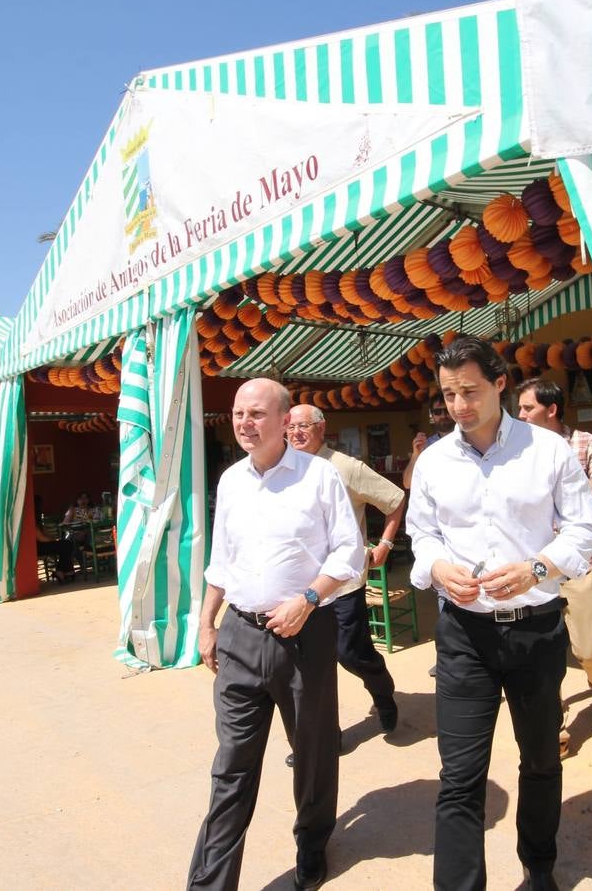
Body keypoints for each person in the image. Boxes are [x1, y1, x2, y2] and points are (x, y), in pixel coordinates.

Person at [408, 338, 592, 891]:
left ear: (499, 384)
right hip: (464, 637)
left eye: (469, 390)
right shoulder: (434, 462)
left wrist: (537, 570)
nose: (459, 405)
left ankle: (538, 866)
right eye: (449, 395)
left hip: (536, 631)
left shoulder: (550, 451)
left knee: (540, 760)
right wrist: (436, 566)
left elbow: (585, 528)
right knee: (460, 777)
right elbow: (423, 533)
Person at [188, 378, 363, 891]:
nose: (244, 422)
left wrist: (308, 599)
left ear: (285, 421)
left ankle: (312, 843)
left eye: (257, 413)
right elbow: (222, 560)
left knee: (312, 753)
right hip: (240, 635)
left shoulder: (319, 477)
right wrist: (206, 624)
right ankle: (210, 883)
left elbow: (348, 554)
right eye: (238, 413)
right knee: (231, 767)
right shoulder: (231, 481)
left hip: (304, 635)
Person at [287, 404, 405, 752]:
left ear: (321, 429)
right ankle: (324, 738)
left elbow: (395, 500)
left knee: (351, 653)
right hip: (299, 587)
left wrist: (385, 543)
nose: (295, 433)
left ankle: (382, 692)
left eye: (303, 426)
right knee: (308, 665)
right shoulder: (284, 470)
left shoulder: (345, 467)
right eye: (290, 426)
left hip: (342, 583)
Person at [515, 378, 592, 751]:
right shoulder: (511, 452)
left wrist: (561, 469)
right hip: (531, 568)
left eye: (526, 408)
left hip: (578, 563)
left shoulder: (586, 443)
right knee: (541, 655)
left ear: (552, 409)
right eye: (518, 409)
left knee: (590, 647)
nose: (519, 415)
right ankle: (555, 726)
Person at [401, 395, 455, 489]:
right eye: (437, 412)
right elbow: (407, 484)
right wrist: (416, 455)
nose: (443, 415)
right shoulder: (427, 445)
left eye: (447, 410)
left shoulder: (470, 440)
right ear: (432, 415)